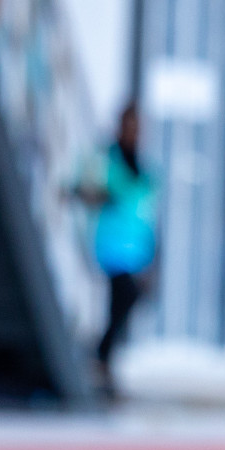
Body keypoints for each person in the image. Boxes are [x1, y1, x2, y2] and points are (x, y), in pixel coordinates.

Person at [77, 103, 157, 402]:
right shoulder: (107, 159)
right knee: (124, 297)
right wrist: (95, 194)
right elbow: (84, 187)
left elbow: (147, 209)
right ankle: (100, 355)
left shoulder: (143, 165)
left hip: (137, 247)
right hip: (111, 245)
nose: (134, 131)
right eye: (129, 124)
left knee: (121, 307)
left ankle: (104, 364)